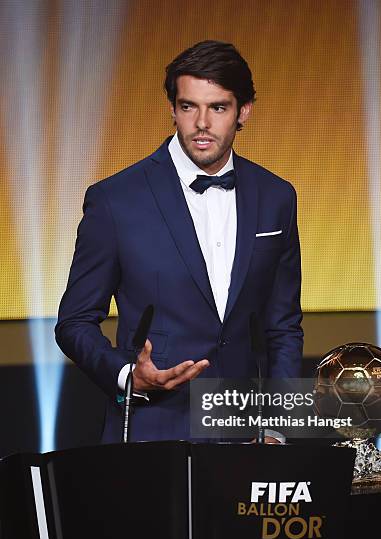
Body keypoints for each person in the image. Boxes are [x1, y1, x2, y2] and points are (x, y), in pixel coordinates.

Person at [55, 40, 303, 443]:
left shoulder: (276, 197)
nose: (202, 123)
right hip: (153, 436)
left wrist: (278, 425)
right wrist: (127, 375)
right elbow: (74, 321)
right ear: (173, 109)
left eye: (218, 108)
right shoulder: (116, 200)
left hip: (246, 440)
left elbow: (284, 326)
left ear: (244, 112)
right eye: (189, 106)